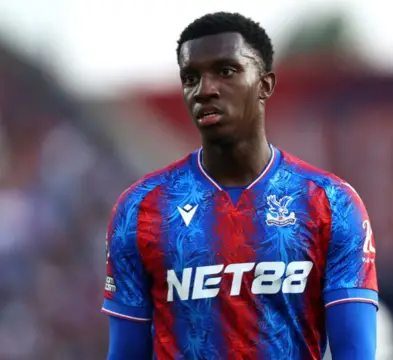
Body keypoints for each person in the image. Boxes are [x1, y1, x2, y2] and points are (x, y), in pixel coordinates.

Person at [101, 12, 378, 360]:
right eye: (191, 78)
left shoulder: (331, 204)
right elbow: (126, 352)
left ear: (265, 84)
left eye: (226, 71)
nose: (205, 90)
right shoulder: (140, 209)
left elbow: (356, 352)